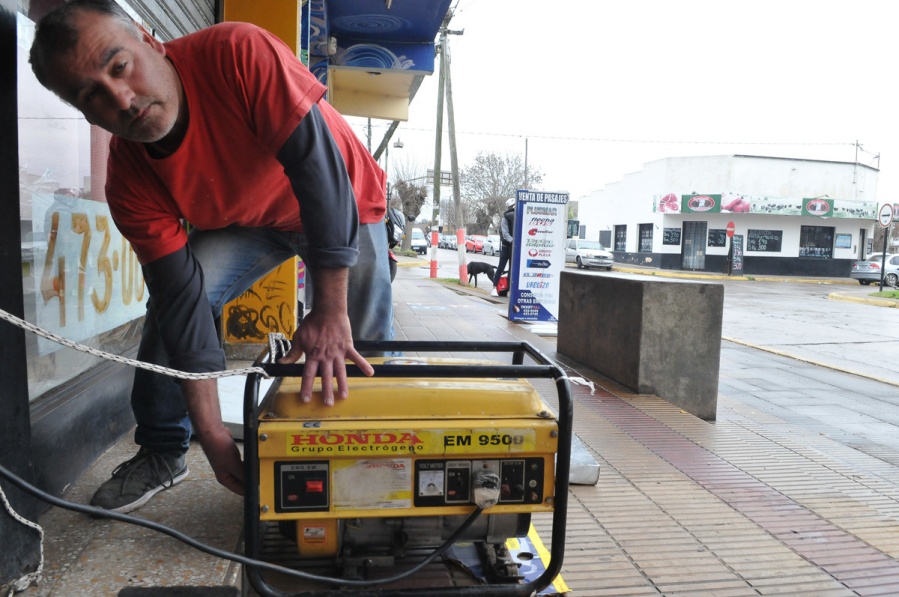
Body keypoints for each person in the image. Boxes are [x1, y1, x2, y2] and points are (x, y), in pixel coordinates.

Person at [29, 0, 394, 512]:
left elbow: (318, 174)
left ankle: (381, 449)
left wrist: (329, 312)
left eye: (119, 67)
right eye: (94, 96)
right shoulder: (130, 183)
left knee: (361, 339)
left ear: (148, 37)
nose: (124, 99)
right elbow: (183, 304)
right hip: (253, 222)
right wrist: (214, 431)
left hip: (343, 198)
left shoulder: (238, 53)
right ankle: (162, 449)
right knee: (171, 309)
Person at [491, 197, 516, 296]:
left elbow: (505, 234)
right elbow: (505, 234)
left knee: (503, 267)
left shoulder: (506, 217)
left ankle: (495, 288)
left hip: (507, 245)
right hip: (509, 246)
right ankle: (498, 288)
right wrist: (514, 242)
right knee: (507, 267)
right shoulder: (507, 218)